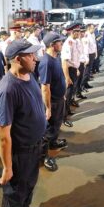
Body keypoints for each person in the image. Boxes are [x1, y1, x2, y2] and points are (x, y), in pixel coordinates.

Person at [0, 39, 47, 207]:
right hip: (20, 152)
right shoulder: (6, 90)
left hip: (35, 147)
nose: (35, 58)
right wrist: (7, 167)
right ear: (17, 59)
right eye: (30, 55)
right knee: (14, 192)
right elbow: (3, 135)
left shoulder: (29, 75)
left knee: (29, 185)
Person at [39, 32, 67, 172]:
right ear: (51, 44)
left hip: (59, 98)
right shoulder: (46, 62)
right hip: (52, 101)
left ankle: (53, 143)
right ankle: (43, 156)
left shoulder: (56, 57)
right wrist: (48, 107)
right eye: (59, 42)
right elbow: (45, 88)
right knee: (48, 130)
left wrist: (63, 94)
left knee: (57, 124)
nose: (62, 43)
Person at [61, 26, 81, 127]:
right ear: (73, 32)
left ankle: (67, 110)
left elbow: (75, 59)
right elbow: (65, 62)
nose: (79, 33)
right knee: (67, 94)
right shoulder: (68, 43)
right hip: (68, 71)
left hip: (73, 69)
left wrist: (76, 68)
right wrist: (67, 77)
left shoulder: (74, 41)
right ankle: (63, 118)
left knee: (70, 94)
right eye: (77, 31)